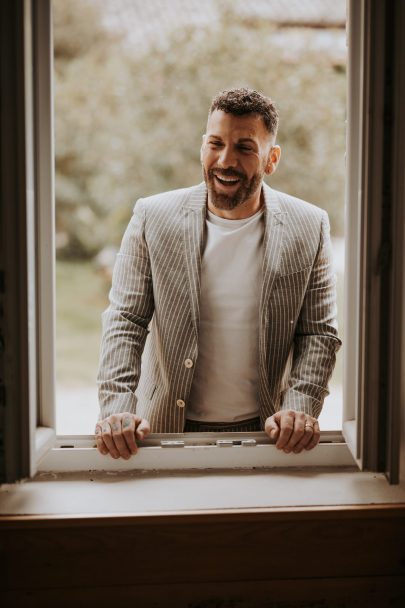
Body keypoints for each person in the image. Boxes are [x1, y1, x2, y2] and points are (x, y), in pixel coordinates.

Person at [96, 87, 341, 460]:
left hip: (267, 436)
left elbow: (319, 333)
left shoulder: (310, 225)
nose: (226, 160)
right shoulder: (152, 216)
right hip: (162, 432)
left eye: (245, 148)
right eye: (215, 143)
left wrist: (301, 406)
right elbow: (125, 321)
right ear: (202, 146)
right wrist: (116, 406)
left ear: (271, 159)